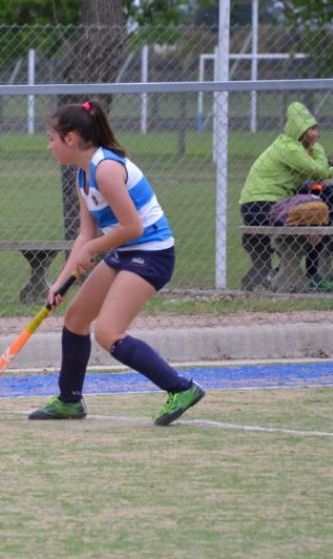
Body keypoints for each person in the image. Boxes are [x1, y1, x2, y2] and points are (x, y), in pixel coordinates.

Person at [28, 100, 204, 425]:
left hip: (152, 252)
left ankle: (181, 388)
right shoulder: (82, 176)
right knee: (76, 319)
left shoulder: (106, 168)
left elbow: (132, 226)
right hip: (126, 251)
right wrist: (61, 280)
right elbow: (85, 236)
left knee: (108, 332)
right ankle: (69, 401)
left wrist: (93, 248)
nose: (48, 145)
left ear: (70, 139)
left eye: (51, 138)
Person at [239, 101, 333, 291]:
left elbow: (317, 170)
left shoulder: (291, 146)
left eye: (315, 128)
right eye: (310, 129)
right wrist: (318, 149)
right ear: (299, 130)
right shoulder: (289, 148)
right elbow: (316, 170)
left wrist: (329, 168)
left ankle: (288, 273)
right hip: (260, 205)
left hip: (264, 204)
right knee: (316, 218)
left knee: (319, 217)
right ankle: (308, 275)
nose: (315, 133)